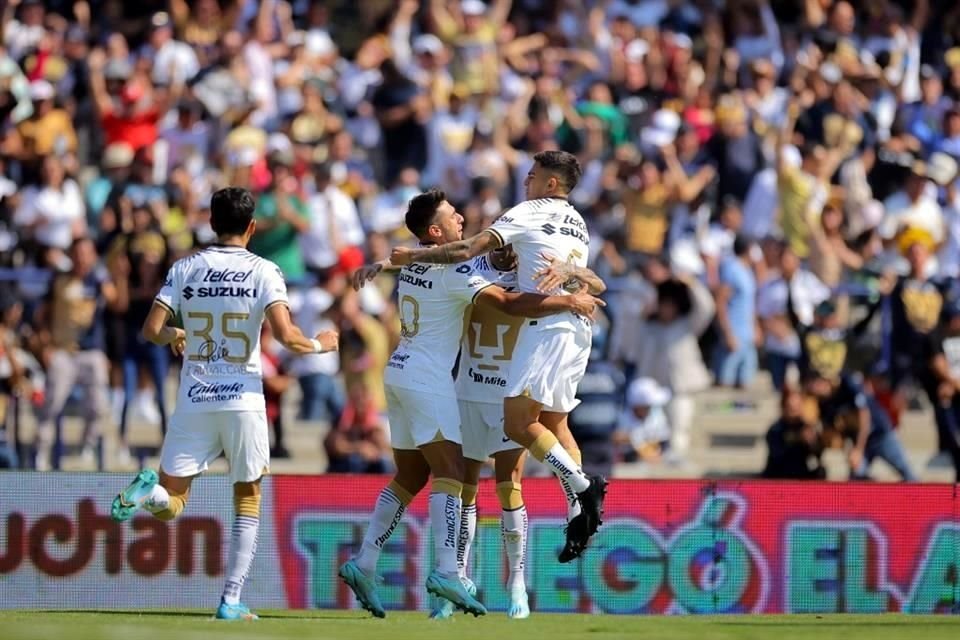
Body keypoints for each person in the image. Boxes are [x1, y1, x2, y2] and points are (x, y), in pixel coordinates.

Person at [340, 189, 603, 618]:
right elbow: (506, 301)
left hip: (404, 370)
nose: (463, 219)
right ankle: (448, 572)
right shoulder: (459, 268)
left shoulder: (422, 260)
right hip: (439, 382)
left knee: (412, 475)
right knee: (451, 476)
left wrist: (380, 264)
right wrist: (569, 299)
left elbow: (406, 259)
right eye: (453, 216)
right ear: (436, 231)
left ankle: (365, 561)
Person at [108, 187, 340, 621]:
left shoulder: (185, 268)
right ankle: (231, 599)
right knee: (248, 497)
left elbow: (151, 329)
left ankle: (147, 492)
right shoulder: (265, 271)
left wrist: (177, 335)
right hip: (243, 399)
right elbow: (287, 337)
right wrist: (321, 344)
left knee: (172, 503)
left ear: (211, 223)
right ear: (252, 227)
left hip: (194, 399)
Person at [390, 151, 608, 563]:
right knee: (555, 424)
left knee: (519, 423)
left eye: (532, 176)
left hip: (543, 333)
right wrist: (572, 276)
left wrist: (411, 255)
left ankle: (583, 488)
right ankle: (579, 514)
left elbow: (465, 249)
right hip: (577, 332)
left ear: (550, 184)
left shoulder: (526, 212)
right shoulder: (578, 225)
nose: (525, 181)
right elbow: (597, 282)